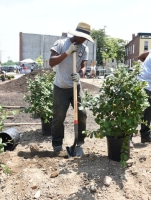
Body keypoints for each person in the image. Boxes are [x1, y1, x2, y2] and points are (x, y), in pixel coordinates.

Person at [49, 22, 94, 153]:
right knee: (58, 117)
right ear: (76, 34)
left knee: (82, 113)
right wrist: (67, 53)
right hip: (60, 87)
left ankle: (79, 140)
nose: (84, 40)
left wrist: (80, 74)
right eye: (82, 37)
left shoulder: (84, 48)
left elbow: (84, 67)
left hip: (75, 86)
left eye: (86, 38)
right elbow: (52, 62)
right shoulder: (61, 44)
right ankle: (57, 144)